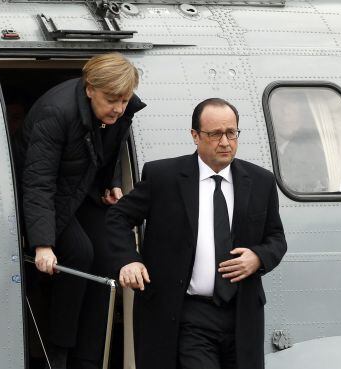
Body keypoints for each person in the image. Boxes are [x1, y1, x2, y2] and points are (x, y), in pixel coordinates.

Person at [106, 98, 287, 369]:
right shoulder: (163, 176)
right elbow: (117, 217)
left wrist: (258, 258)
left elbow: (276, 239)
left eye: (231, 133)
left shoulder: (261, 181)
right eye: (215, 134)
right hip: (188, 313)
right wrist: (129, 259)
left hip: (242, 313)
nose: (225, 142)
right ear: (195, 136)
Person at [16, 53, 145, 369]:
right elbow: (38, 182)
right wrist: (43, 244)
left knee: (106, 257)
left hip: (81, 189)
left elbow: (107, 151)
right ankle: (58, 350)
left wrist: (112, 182)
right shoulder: (55, 113)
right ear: (90, 89)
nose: (118, 107)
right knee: (80, 253)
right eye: (112, 100)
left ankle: (89, 356)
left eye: (124, 100)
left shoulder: (119, 111)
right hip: (51, 195)